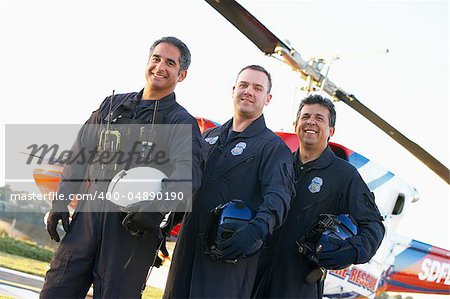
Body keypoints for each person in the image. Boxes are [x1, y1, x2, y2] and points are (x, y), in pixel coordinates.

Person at [40, 36, 203, 298]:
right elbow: (80, 153)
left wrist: (155, 209)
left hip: (133, 229)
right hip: (88, 217)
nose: (160, 67)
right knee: (56, 290)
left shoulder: (181, 122)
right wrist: (60, 201)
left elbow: (188, 176)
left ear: (181, 74)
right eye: (156, 59)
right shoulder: (111, 105)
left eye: (170, 63)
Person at [163, 65, 295, 298]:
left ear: (268, 98)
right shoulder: (208, 138)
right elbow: (187, 189)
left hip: (227, 258)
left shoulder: (273, 148)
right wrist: (163, 228)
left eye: (257, 88)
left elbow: (278, 198)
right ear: (234, 89)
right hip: (186, 254)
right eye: (243, 85)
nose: (248, 92)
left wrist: (255, 231)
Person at [252, 94, 385, 298]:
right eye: (305, 116)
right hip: (253, 279)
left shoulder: (344, 175)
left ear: (331, 131)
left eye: (319, 118)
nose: (311, 122)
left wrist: (352, 250)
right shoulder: (279, 165)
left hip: (298, 286)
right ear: (296, 124)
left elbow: (374, 224)